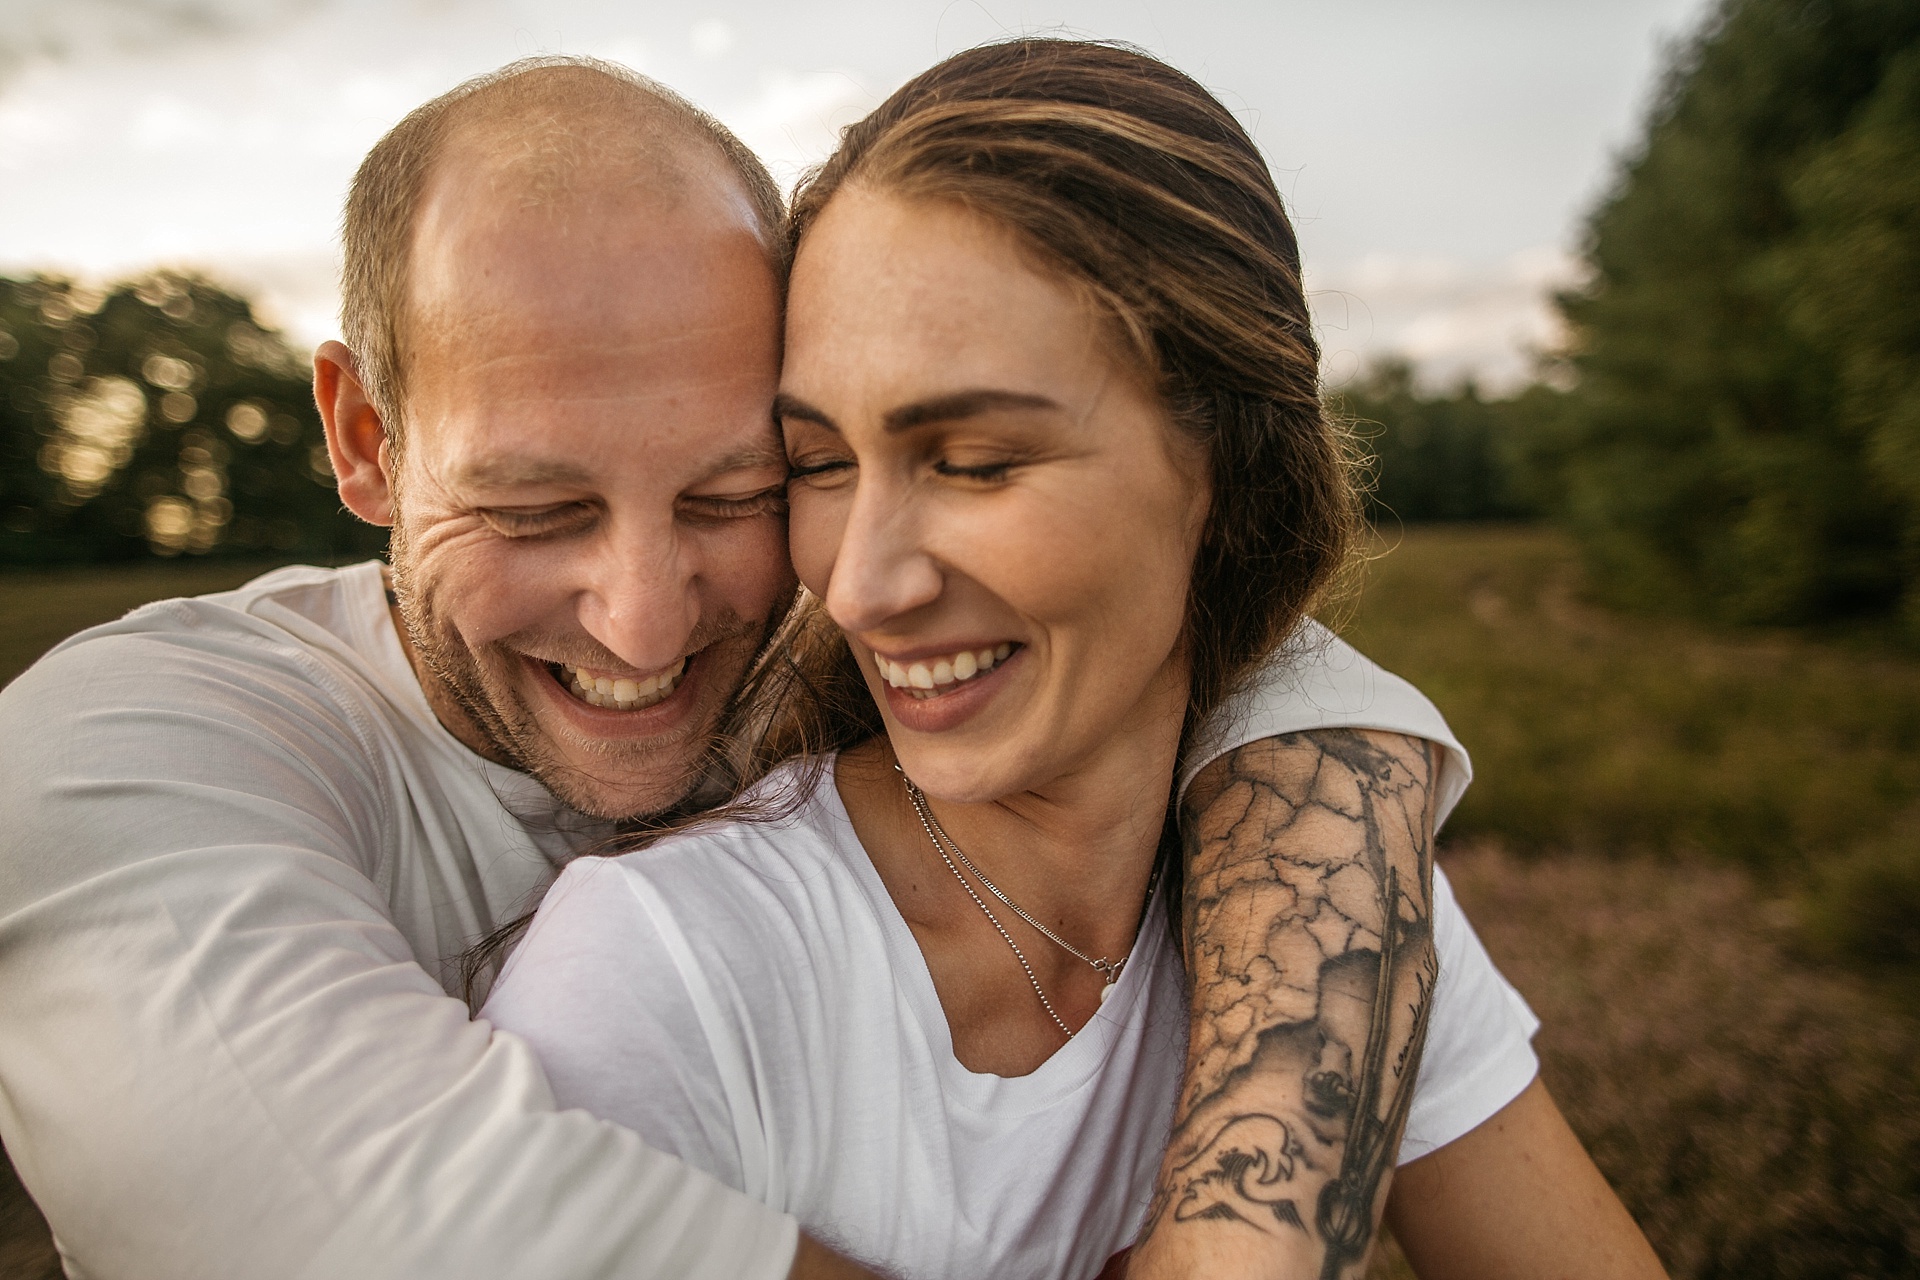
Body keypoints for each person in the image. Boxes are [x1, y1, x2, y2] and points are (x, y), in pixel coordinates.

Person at [0, 55, 1473, 1280]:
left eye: (738, 492)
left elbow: (1158, 625)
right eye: (534, 510)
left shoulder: (873, 660)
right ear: (365, 439)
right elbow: (384, 1233)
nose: (647, 625)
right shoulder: (121, 755)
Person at [481, 41, 1667, 1280]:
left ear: (1220, 467)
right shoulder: (663, 969)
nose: (865, 581)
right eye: (820, 463)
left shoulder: (1333, 893)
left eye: (978, 460)